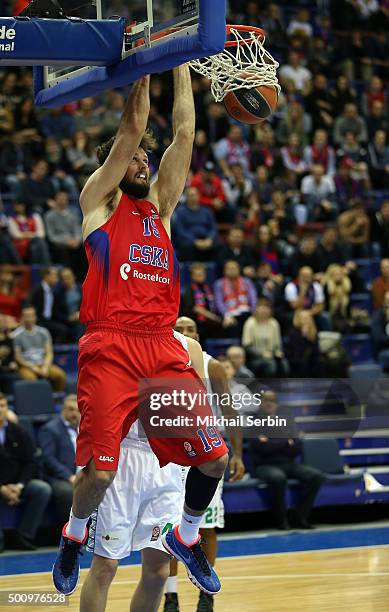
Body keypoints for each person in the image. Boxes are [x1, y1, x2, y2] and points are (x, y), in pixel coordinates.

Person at [52, 70, 229, 599]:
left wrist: (180, 62)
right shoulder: (99, 204)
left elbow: (185, 134)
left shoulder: (161, 211)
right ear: (111, 166)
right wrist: (143, 64)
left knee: (214, 458)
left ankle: (187, 534)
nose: (142, 161)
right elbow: (132, 128)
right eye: (133, 159)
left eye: (144, 160)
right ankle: (74, 531)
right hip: (109, 344)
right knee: (100, 477)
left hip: (159, 344)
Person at [164, 317, 244, 612]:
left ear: (197, 335)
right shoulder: (159, 360)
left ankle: (205, 595)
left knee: (206, 525)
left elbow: (230, 411)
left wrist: (237, 454)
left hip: (207, 450)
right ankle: (170, 595)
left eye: (189, 329)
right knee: (169, 525)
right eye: (179, 328)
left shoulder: (212, 366)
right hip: (171, 450)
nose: (184, 333)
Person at [250, 390, 324, 530]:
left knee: (316, 476)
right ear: (260, 403)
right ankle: (281, 520)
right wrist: (285, 441)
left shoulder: (286, 421)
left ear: (277, 404)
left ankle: (299, 516)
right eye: (266, 400)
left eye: (272, 400)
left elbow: (297, 447)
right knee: (278, 478)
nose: (269, 403)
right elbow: (260, 448)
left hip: (288, 463)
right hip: (264, 465)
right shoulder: (254, 421)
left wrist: (271, 442)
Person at [0, 392, 51, 551]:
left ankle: (23, 536)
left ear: (7, 408)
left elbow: (30, 461)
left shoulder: (18, 431)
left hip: (17, 483)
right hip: (1, 485)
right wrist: (1, 488)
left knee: (42, 489)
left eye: (2, 406)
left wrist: (19, 485)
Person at [38, 395, 80, 528]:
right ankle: (68, 534)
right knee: (66, 492)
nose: (74, 414)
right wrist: (69, 476)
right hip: (58, 477)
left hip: (81, 474)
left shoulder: (86, 428)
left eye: (77, 410)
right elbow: (48, 458)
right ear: (63, 410)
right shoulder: (50, 429)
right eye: (70, 410)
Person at [12, 305, 66, 391]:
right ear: (22, 317)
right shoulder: (16, 335)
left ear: (35, 317)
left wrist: (45, 366)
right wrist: (32, 367)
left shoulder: (43, 332)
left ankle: (57, 398)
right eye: (26, 316)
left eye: (31, 316)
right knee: (32, 380)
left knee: (60, 375)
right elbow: (18, 357)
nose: (29, 319)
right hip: (27, 366)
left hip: (42, 363)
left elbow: (49, 352)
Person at [242, 300, 289, 377]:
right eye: (261, 308)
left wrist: (277, 352)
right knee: (271, 365)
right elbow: (247, 346)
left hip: (272, 355)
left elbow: (277, 344)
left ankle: (282, 387)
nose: (264, 310)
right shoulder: (250, 323)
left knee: (284, 363)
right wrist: (262, 353)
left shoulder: (274, 323)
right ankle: (267, 387)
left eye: (266, 308)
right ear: (257, 309)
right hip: (255, 357)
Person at [213, 260, 257, 337]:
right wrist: (226, 315)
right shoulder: (219, 284)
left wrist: (254, 312)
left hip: (246, 312)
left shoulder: (246, 282)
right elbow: (218, 302)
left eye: (234, 268)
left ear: (239, 270)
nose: (232, 271)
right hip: (230, 314)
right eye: (229, 269)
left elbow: (253, 298)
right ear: (224, 271)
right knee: (230, 325)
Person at [29, 267, 69, 343]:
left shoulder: (54, 291)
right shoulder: (37, 290)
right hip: (38, 321)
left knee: (63, 329)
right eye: (54, 275)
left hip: (49, 321)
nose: (57, 278)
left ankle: (55, 349)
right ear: (46, 276)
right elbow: (30, 305)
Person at [8, 201, 51, 265]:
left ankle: (38, 269)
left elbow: (41, 234)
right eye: (16, 205)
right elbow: (16, 235)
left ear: (25, 205)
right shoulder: (11, 219)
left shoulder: (35, 216)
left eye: (20, 205)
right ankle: (46, 267)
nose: (17, 207)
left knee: (36, 246)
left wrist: (27, 234)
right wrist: (33, 234)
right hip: (20, 245)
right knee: (38, 244)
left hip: (35, 242)